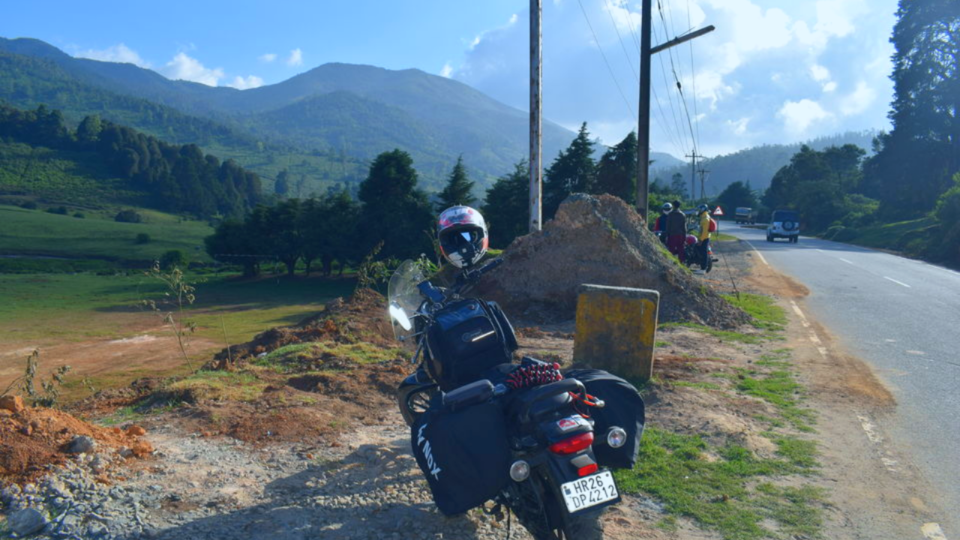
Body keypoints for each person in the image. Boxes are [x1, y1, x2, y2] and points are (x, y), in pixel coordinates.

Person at [696, 204, 712, 271]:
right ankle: (702, 266)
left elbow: (705, 232)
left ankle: (703, 268)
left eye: (699, 210)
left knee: (703, 253)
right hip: (704, 238)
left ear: (702, 210)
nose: (698, 211)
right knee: (699, 251)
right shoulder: (703, 217)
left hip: (704, 238)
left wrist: (701, 240)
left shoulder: (705, 219)